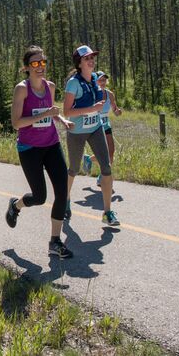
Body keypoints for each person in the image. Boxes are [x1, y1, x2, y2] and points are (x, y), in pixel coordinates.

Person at [5, 45, 76, 258]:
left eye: (43, 62)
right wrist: (44, 113)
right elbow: (17, 123)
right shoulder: (22, 89)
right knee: (39, 196)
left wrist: (62, 119)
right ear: (27, 67)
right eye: (35, 63)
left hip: (51, 144)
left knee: (62, 190)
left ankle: (55, 242)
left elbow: (51, 113)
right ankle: (15, 206)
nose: (40, 67)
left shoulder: (50, 87)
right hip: (30, 149)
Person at [63, 45, 119, 227]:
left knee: (107, 166)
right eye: (87, 58)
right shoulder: (73, 83)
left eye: (92, 57)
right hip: (77, 132)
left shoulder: (95, 78)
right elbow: (67, 112)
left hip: (96, 128)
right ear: (79, 63)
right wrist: (92, 109)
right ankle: (66, 200)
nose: (91, 60)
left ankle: (107, 212)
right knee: (73, 169)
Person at [91, 71, 122, 187]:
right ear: (95, 81)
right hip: (96, 125)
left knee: (111, 151)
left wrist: (118, 112)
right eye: (100, 80)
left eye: (104, 80)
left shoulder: (110, 94)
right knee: (103, 153)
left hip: (106, 124)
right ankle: (94, 166)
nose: (102, 82)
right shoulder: (93, 93)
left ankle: (101, 176)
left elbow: (115, 109)